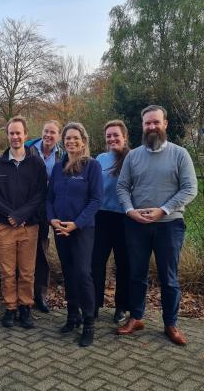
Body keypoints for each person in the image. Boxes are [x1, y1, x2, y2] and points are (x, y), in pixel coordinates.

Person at [116, 105, 197, 345]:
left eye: (155, 122)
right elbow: (122, 187)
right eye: (147, 123)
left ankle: (170, 324)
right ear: (142, 126)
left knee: (169, 278)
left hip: (169, 225)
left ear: (165, 124)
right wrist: (130, 211)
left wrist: (163, 210)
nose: (151, 127)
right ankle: (137, 317)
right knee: (136, 274)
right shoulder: (133, 156)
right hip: (137, 225)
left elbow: (190, 189)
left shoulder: (180, 154)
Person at [0, 116, 47, 329]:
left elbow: (41, 194)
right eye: (11, 133)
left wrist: (21, 215)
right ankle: (11, 308)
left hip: (29, 226)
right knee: (7, 270)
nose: (15, 137)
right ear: (7, 136)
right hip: (4, 225)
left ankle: (25, 307)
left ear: (25, 135)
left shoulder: (36, 163)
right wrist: (11, 215)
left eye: (18, 133)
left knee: (26, 270)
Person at [47, 123, 102, 347]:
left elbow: (96, 200)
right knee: (68, 273)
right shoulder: (57, 168)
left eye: (75, 138)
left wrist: (76, 224)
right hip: (60, 230)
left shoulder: (92, 166)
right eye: (67, 138)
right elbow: (49, 198)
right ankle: (73, 317)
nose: (71, 141)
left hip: (82, 230)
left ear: (83, 141)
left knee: (82, 273)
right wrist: (52, 220)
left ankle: (89, 323)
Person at [91, 120, 131, 323]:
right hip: (102, 217)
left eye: (116, 135)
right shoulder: (100, 158)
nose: (112, 139)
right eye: (109, 136)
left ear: (124, 137)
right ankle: (94, 305)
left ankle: (121, 307)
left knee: (124, 265)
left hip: (125, 218)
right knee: (96, 263)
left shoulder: (133, 158)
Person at [25, 120, 63, 312]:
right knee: (23, 252)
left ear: (59, 136)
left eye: (53, 132)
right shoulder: (28, 149)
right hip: (26, 209)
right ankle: (22, 295)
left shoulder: (62, 155)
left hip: (47, 210)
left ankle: (40, 295)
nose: (49, 135)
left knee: (41, 252)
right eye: (46, 131)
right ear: (42, 132)